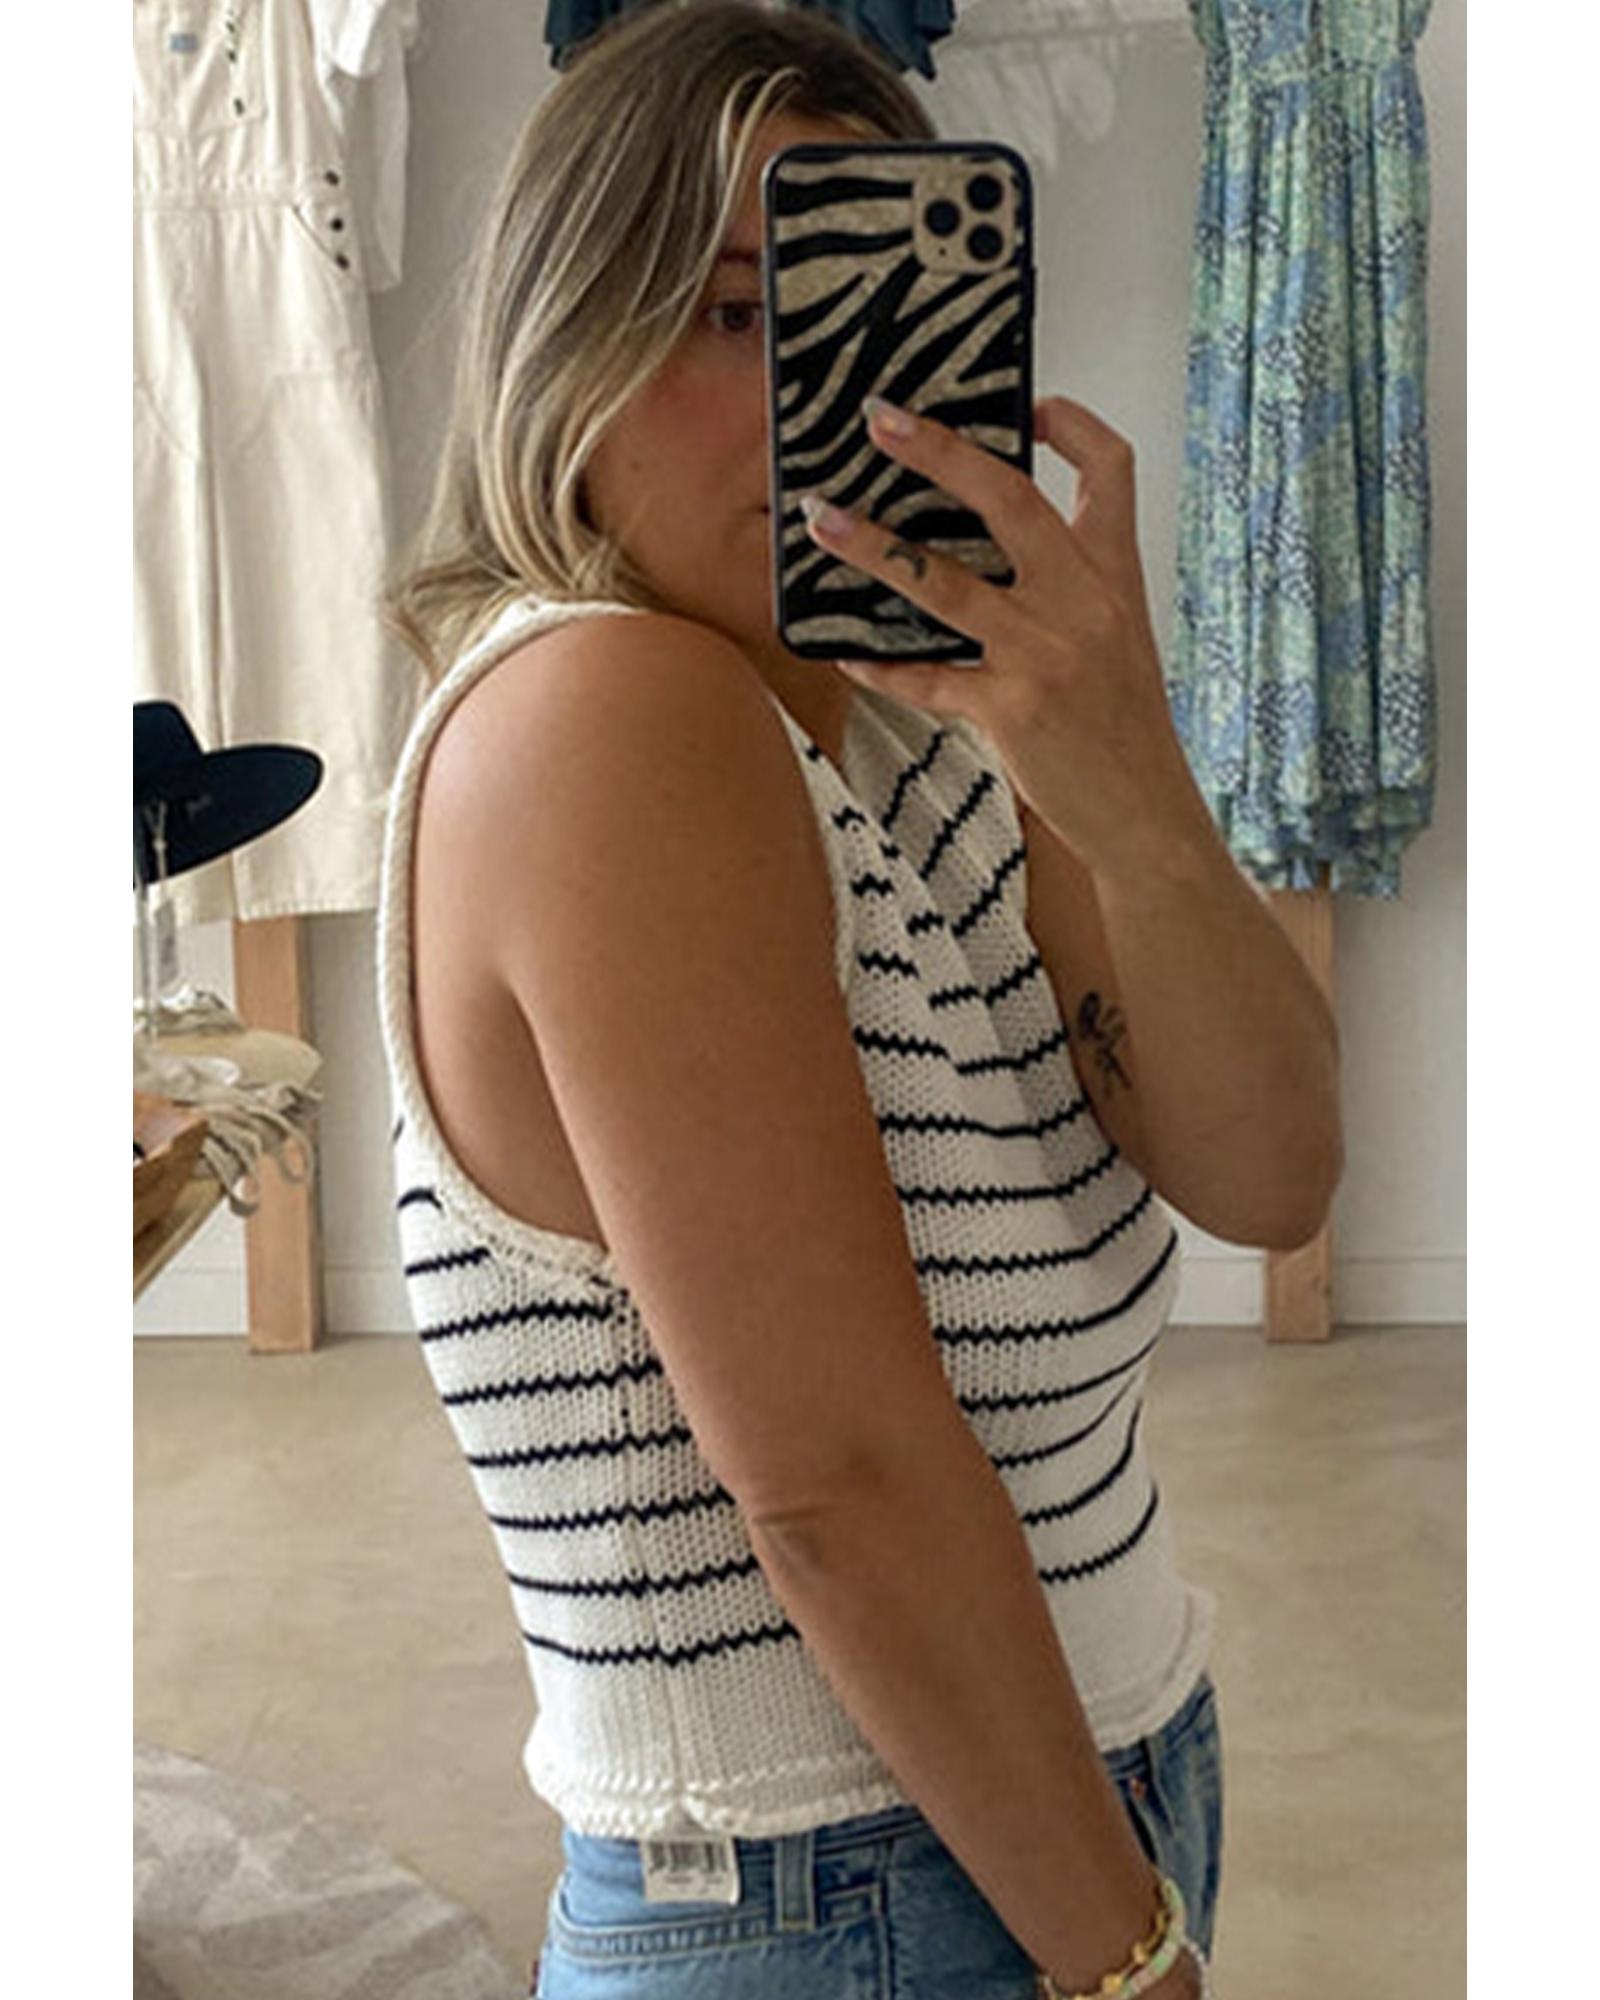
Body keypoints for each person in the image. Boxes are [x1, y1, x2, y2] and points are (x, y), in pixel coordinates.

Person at [378, 3, 1338, 1994]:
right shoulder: (608, 719)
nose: (815, 389)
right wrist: (1127, 1961)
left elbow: (1272, 1173)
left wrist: (1134, 782)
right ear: (567, 334)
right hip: (852, 1884)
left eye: (861, 305)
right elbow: (834, 1483)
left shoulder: (922, 733)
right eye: (737, 311)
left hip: (1058, 1799)